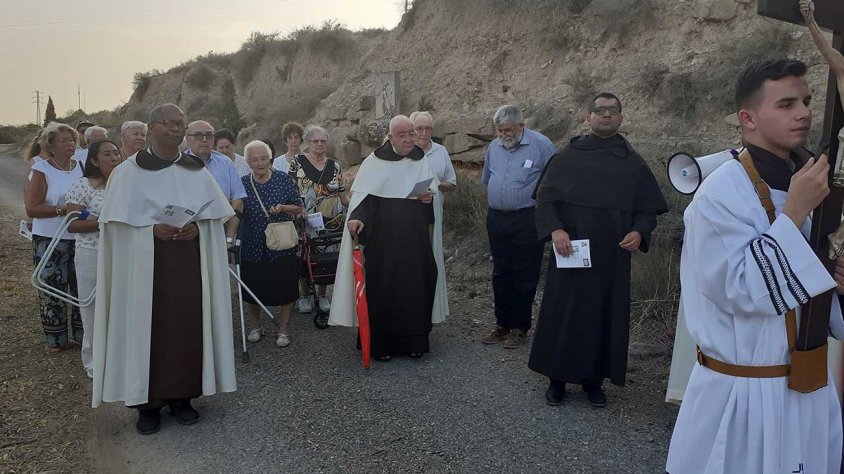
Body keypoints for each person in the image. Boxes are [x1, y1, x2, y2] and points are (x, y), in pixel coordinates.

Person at [666, 59, 844, 473]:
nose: (803, 113)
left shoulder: (808, 183)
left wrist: (837, 286)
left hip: (808, 391)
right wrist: (795, 213)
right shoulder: (718, 195)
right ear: (748, 118)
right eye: (785, 104)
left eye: (805, 101)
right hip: (741, 394)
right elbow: (743, 291)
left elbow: (814, 295)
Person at [92, 103, 237, 435]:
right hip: (144, 270)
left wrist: (197, 230)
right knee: (147, 329)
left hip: (187, 266)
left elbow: (214, 219)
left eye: (180, 124)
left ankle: (183, 397)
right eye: (169, 123)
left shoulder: (196, 171)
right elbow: (116, 229)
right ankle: (147, 405)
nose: (175, 128)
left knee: (187, 326)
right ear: (152, 127)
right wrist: (149, 230)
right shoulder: (127, 173)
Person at [528, 93, 668, 407]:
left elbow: (647, 210)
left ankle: (594, 382)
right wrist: (556, 229)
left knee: (602, 316)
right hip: (571, 252)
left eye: (612, 111)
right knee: (564, 313)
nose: (606, 115)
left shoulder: (632, 162)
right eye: (599, 110)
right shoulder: (567, 156)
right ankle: (557, 380)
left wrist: (638, 231)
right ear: (588, 117)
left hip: (611, 258)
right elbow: (546, 200)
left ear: (620, 117)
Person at [329, 115, 446, 361]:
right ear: (390, 137)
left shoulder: (419, 159)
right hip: (384, 242)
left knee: (417, 286)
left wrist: (427, 199)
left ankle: (415, 342)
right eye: (402, 135)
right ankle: (380, 346)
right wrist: (358, 218)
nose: (408, 139)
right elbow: (364, 199)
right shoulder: (375, 163)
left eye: (411, 134)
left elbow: (429, 199)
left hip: (414, 241)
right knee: (383, 289)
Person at [480, 105, 556, 349]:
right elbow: (487, 178)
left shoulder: (541, 145)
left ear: (521, 125)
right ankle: (501, 324)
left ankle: (519, 328)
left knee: (525, 274)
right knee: (501, 272)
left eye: (508, 129)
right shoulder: (494, 147)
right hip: (497, 218)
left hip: (527, 218)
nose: (504, 134)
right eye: (500, 130)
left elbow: (554, 181)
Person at [65, 140, 124, 378]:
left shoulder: (124, 184)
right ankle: (93, 362)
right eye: (107, 154)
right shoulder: (83, 186)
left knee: (118, 307)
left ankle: (119, 358)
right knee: (91, 308)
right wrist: (103, 223)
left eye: (116, 153)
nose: (114, 157)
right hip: (91, 253)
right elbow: (72, 224)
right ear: (94, 160)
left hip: (121, 252)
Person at [24, 122, 84, 354]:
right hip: (49, 238)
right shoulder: (41, 170)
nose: (70, 144)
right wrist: (62, 210)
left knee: (80, 286)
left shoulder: (81, 166)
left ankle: (82, 335)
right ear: (50, 145)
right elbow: (33, 208)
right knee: (52, 289)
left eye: (72, 140)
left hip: (79, 235)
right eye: (64, 141)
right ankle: (55, 340)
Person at [239, 140, 305, 347]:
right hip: (252, 244)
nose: (260, 163)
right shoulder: (242, 183)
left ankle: (283, 329)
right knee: (252, 288)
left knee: (286, 286)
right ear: (248, 162)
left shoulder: (283, 179)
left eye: (263, 158)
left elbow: (299, 207)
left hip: (281, 242)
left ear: (269, 158)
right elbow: (235, 211)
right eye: (255, 159)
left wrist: (283, 207)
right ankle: (255, 326)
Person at [289, 125, 349, 314]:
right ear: (308, 142)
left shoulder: (335, 166)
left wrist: (355, 209)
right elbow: (290, 192)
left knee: (327, 259)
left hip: (333, 220)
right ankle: (305, 296)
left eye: (323, 141)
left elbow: (342, 195)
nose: (319, 144)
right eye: (315, 141)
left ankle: (323, 296)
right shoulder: (297, 162)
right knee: (305, 257)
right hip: (305, 220)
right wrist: (296, 211)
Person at [411, 110, 455, 321]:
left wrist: (436, 182)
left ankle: (432, 308)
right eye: (419, 128)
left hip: (434, 214)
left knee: (432, 258)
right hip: (409, 217)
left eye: (427, 128)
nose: (423, 132)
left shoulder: (441, 151)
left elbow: (451, 184)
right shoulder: (406, 152)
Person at [185, 120, 244, 242]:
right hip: (189, 231)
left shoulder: (226, 163)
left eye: (209, 135)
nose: (204, 139)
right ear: (188, 138)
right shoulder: (179, 165)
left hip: (221, 228)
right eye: (198, 135)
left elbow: (238, 199)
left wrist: (228, 233)